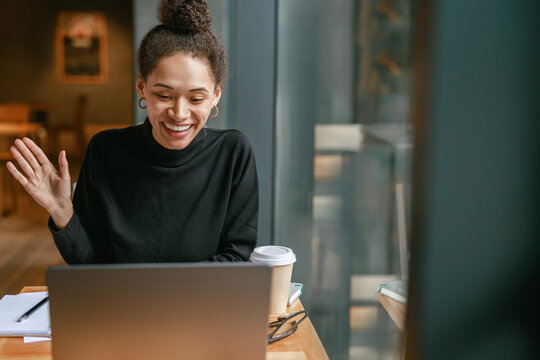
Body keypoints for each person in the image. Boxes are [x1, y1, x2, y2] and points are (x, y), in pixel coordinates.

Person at [5, 0, 258, 263]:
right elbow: (90, 264)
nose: (179, 113)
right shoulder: (105, 151)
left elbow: (236, 258)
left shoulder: (233, 153)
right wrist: (61, 213)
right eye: (163, 95)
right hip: (120, 303)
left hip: (204, 304)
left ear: (215, 95)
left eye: (196, 99)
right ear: (141, 87)